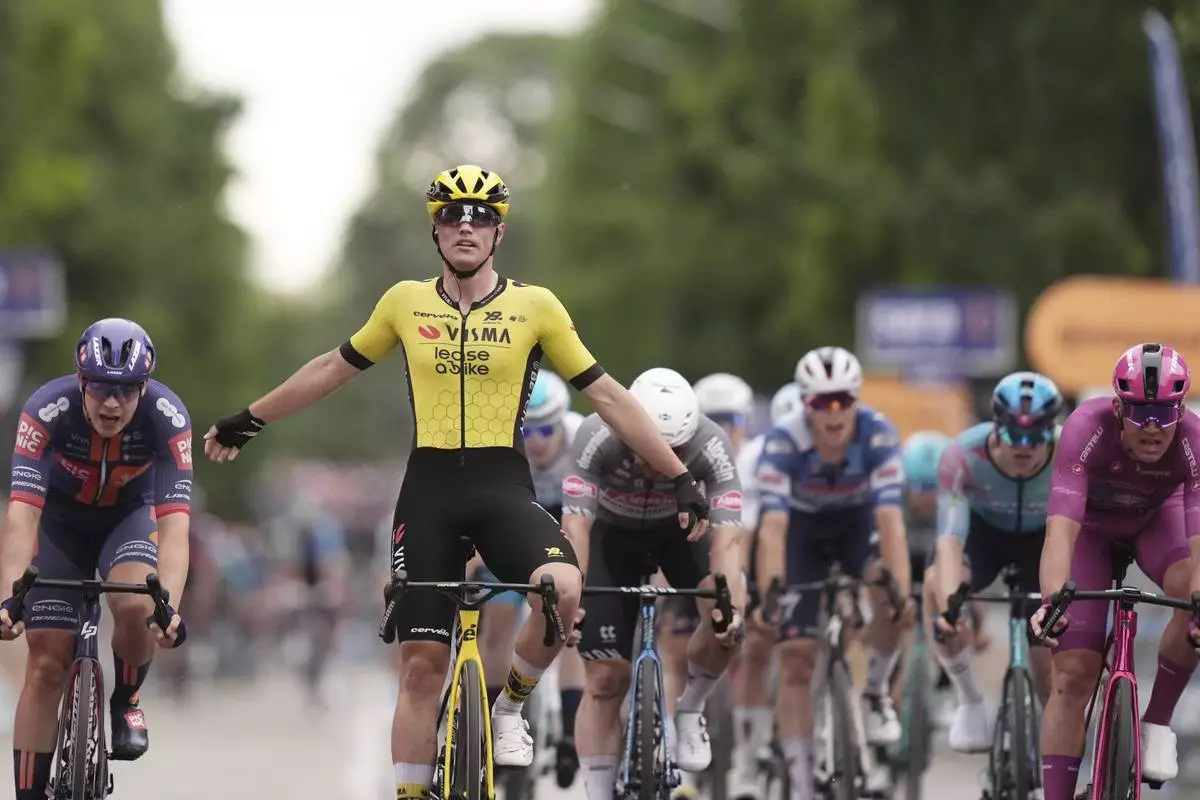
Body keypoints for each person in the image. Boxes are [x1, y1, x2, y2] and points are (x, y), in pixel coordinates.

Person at [203, 165, 712, 800]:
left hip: (504, 490)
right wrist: (251, 418)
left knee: (562, 588)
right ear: (436, 230)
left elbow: (607, 395)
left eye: (480, 217)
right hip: (430, 493)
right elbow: (332, 368)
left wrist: (679, 475)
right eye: (451, 216)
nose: (465, 226)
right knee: (421, 668)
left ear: (499, 232)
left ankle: (510, 706)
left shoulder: (536, 307)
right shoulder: (403, 302)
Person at [0, 318, 191, 800]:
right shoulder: (46, 409)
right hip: (58, 527)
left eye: (126, 391)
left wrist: (169, 608)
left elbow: (174, 528)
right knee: (46, 665)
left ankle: (126, 699)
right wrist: (8, 599)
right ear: (81, 381)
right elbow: (22, 517)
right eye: (102, 388)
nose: (112, 403)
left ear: (144, 388)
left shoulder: (167, 417)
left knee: (138, 604)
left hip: (127, 521)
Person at [564, 367, 747, 800]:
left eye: (675, 449)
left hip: (679, 535)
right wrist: (573, 594)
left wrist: (727, 607)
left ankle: (691, 706)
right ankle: (598, 793)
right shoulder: (596, 435)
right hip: (610, 538)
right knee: (606, 679)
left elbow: (728, 539)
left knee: (727, 617)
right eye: (645, 444)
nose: (657, 459)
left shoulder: (712, 444)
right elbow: (575, 527)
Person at [1031, 343, 1200, 799]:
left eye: (1164, 413)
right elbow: (1061, 529)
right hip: (1091, 530)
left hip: (1156, 521)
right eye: (1141, 412)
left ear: (1181, 411)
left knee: (1193, 594)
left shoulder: (1194, 439)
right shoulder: (1085, 427)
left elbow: (1199, 537)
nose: (1152, 427)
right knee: (1072, 678)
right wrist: (1051, 602)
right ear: (1119, 408)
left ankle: (1156, 722)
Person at [755, 346, 913, 799]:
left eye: (843, 399)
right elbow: (772, 530)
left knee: (887, 589)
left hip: (856, 527)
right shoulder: (782, 442)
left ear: (857, 400)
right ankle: (803, 781)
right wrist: (769, 595)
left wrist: (901, 595)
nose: (834, 411)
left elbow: (891, 523)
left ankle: (876, 690)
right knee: (797, 658)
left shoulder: (878, 435)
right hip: (802, 533)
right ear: (805, 403)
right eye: (821, 402)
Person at [924, 372, 1061, 753]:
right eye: (1015, 435)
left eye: (1036, 437)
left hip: (1043, 541)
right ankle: (969, 699)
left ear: (1052, 430)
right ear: (996, 427)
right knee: (937, 584)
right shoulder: (963, 454)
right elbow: (950, 540)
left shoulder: (1070, 450)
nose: (1025, 447)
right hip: (982, 536)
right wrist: (951, 608)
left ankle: (1054, 754)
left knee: (1046, 670)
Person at [464, 369, 588, 787]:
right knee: (498, 623)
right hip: (513, 529)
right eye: (527, 430)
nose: (535, 440)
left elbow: (585, 521)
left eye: (546, 429)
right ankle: (494, 721)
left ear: (562, 422)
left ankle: (569, 732)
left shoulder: (580, 441)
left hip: (568, 525)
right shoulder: (500, 443)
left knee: (568, 624)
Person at [688, 373, 777, 800]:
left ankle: (747, 760)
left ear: (746, 421)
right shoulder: (687, 455)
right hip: (694, 561)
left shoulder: (758, 459)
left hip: (745, 557)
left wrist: (751, 593)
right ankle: (683, 752)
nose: (725, 430)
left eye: (732, 420)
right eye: (715, 420)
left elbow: (756, 533)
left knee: (755, 649)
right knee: (676, 648)